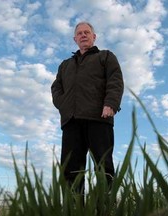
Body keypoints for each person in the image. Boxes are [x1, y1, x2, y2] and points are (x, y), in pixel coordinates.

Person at [51, 22, 124, 194]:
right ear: (75, 39)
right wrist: (64, 105)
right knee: (70, 170)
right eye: (80, 33)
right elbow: (56, 88)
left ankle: (104, 209)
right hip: (71, 121)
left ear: (94, 37)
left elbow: (115, 81)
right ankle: (75, 209)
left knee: (103, 166)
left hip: (99, 117)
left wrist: (111, 104)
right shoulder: (65, 65)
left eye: (87, 32)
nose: (83, 35)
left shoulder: (105, 57)